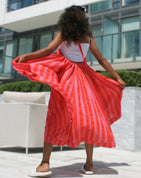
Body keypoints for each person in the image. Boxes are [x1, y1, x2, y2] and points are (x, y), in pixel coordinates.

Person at [12, 5, 126, 177]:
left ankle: (44, 163)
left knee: (55, 116)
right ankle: (89, 164)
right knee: (88, 119)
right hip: (85, 79)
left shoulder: (64, 33)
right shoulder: (88, 37)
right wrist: (117, 78)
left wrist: (27, 57)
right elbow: (101, 60)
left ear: (67, 18)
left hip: (66, 78)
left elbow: (49, 50)